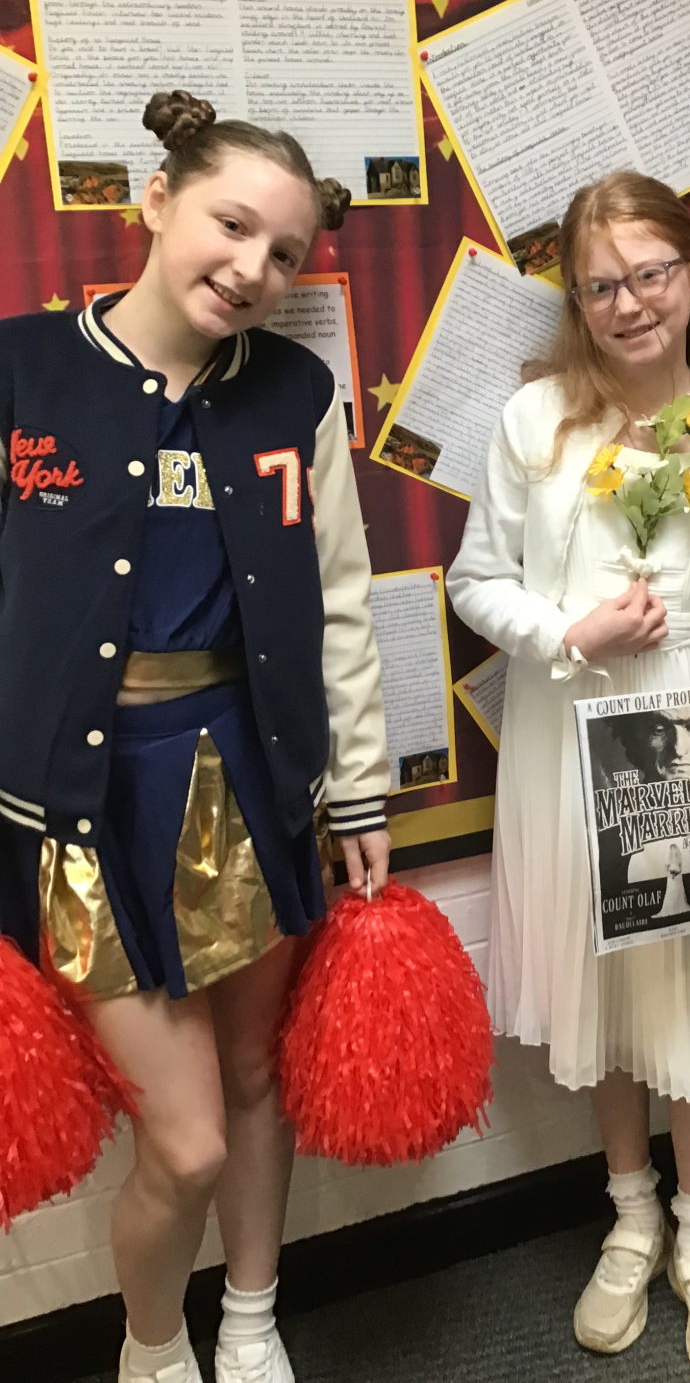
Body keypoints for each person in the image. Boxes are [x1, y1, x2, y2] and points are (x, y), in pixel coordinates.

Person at [0, 90, 393, 1383]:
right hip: (76, 809)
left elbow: (340, 598)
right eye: (231, 225)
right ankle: (154, 1350)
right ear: (157, 200)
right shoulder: (22, 371)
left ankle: (255, 1318)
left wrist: (358, 794)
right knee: (186, 1141)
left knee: (251, 1074)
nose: (252, 268)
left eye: (284, 252)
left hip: (243, 781)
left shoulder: (295, 392)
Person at [448, 171, 690, 1382]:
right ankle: (632, 1213)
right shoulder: (534, 420)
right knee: (601, 978)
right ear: (577, 299)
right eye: (602, 285)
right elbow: (476, 580)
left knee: (686, 981)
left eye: (651, 275)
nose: (630, 303)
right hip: (572, 723)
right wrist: (568, 631)